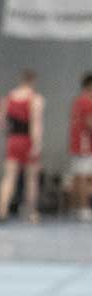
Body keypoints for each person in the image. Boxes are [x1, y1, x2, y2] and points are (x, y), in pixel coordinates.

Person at [0, 70, 44, 223]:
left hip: (13, 140)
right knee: (31, 179)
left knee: (9, 177)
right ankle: (32, 212)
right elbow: (36, 124)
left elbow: (0, 122)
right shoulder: (35, 99)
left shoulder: (8, 98)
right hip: (27, 140)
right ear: (33, 82)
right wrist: (36, 145)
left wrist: (8, 137)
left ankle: (1, 210)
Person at [68, 72, 92, 221]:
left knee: (77, 176)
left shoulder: (77, 101)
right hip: (85, 143)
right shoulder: (88, 102)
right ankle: (83, 209)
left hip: (76, 143)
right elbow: (90, 123)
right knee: (84, 177)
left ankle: (76, 208)